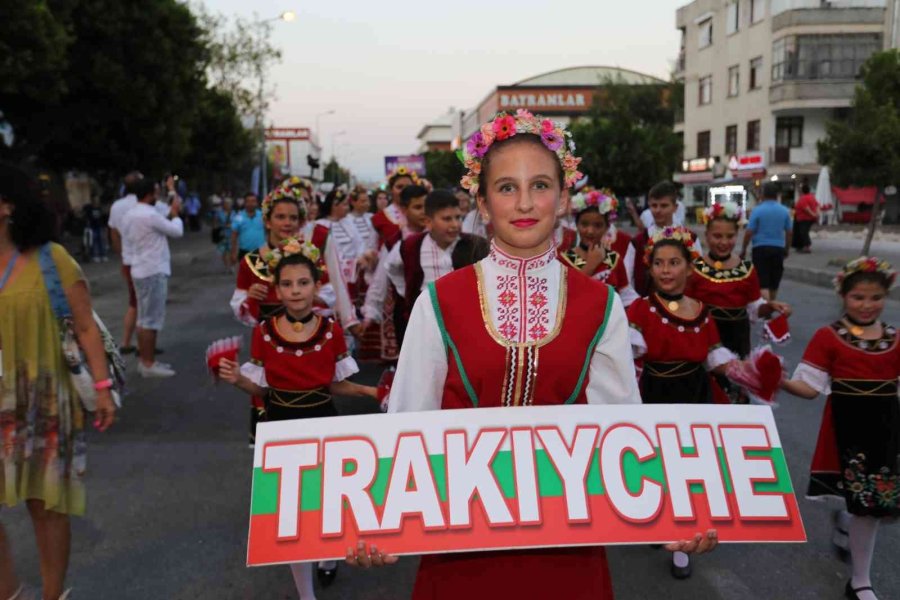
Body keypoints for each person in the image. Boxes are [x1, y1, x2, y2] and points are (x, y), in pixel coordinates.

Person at [346, 110, 717, 599]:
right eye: (505, 188)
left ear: (563, 197)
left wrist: (666, 517)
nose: (524, 202)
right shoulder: (440, 301)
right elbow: (408, 420)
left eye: (540, 185)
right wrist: (379, 521)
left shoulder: (600, 304)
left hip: (569, 543)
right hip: (461, 540)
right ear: (481, 200)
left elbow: (621, 425)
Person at [218, 244, 377, 600]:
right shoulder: (263, 332)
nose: (295, 291)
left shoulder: (331, 330)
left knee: (324, 502)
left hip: (324, 422)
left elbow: (334, 383)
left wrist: (370, 392)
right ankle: (306, 595)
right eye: (287, 284)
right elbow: (259, 385)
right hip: (281, 427)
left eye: (303, 283)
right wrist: (235, 379)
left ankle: (327, 557)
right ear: (277, 289)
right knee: (291, 515)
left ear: (316, 285)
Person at [0, 165, 116, 600]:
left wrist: (102, 389)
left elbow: (85, 327)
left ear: (8, 205)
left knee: (44, 505)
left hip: (46, 400)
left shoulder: (52, 259)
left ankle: (52, 595)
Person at [781, 258, 899, 600]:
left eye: (875, 297)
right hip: (846, 433)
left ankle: (859, 579)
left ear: (886, 297)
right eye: (858, 297)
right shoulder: (828, 337)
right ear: (843, 296)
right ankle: (855, 556)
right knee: (862, 503)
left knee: (871, 509)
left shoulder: (895, 338)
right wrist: (778, 381)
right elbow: (809, 387)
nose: (866, 305)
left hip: (885, 433)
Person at [626, 225, 737, 579]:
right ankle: (660, 524)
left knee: (690, 470)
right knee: (659, 469)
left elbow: (715, 357)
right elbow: (628, 355)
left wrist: (748, 372)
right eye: (659, 263)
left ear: (690, 267)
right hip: (656, 396)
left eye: (675, 262)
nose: (666, 270)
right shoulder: (641, 310)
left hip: (696, 396)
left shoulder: (703, 310)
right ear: (650, 268)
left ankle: (682, 544)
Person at [229, 182, 360, 446]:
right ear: (267, 220)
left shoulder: (309, 259)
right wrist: (250, 298)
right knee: (270, 416)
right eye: (280, 217)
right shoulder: (251, 262)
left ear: (301, 221)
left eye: (293, 218)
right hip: (269, 347)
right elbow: (239, 303)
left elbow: (329, 291)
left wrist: (308, 300)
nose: (286, 223)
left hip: (308, 343)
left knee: (315, 429)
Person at [687, 202, 791, 403]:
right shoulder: (694, 269)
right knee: (708, 394)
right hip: (707, 339)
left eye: (730, 236)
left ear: (738, 235)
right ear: (706, 236)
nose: (723, 242)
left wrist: (770, 307)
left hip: (738, 339)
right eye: (717, 236)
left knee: (736, 396)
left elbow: (754, 306)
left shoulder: (746, 269)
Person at [363, 189, 488, 347]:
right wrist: (407, 291)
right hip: (424, 325)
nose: (455, 224)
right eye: (447, 219)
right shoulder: (410, 246)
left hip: (465, 323)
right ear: (428, 222)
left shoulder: (475, 245)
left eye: (458, 217)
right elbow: (391, 267)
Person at [122, 178, 183, 377]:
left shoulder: (130, 214)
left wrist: (172, 193)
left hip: (139, 268)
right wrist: (175, 215)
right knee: (151, 320)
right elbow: (177, 231)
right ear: (150, 194)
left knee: (143, 319)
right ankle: (148, 363)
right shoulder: (150, 215)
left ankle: (146, 361)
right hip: (153, 270)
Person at [361, 184, 428, 361]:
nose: (423, 212)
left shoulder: (438, 237)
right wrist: (371, 309)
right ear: (405, 210)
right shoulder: (395, 243)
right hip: (405, 310)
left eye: (426, 207)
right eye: (417, 207)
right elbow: (380, 279)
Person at [560, 189, 637, 306]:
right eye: (584, 224)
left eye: (598, 225)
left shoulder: (614, 260)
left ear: (607, 227)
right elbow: (564, 298)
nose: (590, 231)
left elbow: (627, 297)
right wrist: (591, 265)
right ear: (576, 224)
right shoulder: (563, 260)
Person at [625, 181, 700, 298]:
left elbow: (698, 276)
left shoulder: (691, 239)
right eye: (654, 205)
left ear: (675, 207)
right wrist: (640, 305)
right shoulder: (637, 242)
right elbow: (626, 281)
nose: (658, 210)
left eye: (664, 205)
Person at [107, 171, 143, 354]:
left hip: (128, 259)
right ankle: (139, 344)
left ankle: (131, 341)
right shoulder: (144, 204)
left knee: (135, 301)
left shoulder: (117, 206)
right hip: (145, 260)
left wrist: (120, 253)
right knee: (140, 303)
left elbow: (113, 232)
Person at [740, 182, 792, 301]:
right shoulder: (784, 211)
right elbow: (789, 232)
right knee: (774, 283)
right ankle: (771, 305)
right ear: (777, 195)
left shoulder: (757, 211)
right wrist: (787, 249)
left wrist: (744, 249)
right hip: (778, 249)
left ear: (763, 194)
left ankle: (766, 309)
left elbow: (749, 232)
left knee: (762, 283)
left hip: (760, 249)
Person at [230, 192, 265, 264]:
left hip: (261, 252)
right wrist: (233, 253)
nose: (251, 204)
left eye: (253, 201)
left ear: (257, 203)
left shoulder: (263, 216)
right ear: (244, 203)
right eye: (248, 201)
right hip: (244, 252)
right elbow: (234, 236)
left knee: (260, 274)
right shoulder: (238, 217)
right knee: (245, 274)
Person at [792, 184, 818, 253]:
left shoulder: (803, 198)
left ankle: (806, 246)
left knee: (803, 232)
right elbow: (817, 205)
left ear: (802, 191)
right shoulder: (812, 197)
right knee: (801, 232)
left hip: (803, 218)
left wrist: (813, 214)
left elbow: (806, 208)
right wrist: (817, 214)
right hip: (807, 218)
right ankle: (800, 245)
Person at [82, 197, 108, 262]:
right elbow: (86, 215)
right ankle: (96, 255)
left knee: (101, 241)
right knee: (94, 242)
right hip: (92, 227)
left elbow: (102, 217)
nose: (96, 202)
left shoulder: (99, 208)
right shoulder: (89, 208)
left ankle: (103, 255)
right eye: (95, 201)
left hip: (99, 226)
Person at [212, 197, 234, 271]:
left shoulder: (234, 213)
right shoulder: (219, 213)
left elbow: (237, 222)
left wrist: (231, 225)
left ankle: (231, 265)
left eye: (229, 204)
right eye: (226, 204)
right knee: (224, 251)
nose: (227, 205)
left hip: (231, 234)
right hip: (222, 234)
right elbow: (215, 223)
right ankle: (227, 266)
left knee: (231, 251)